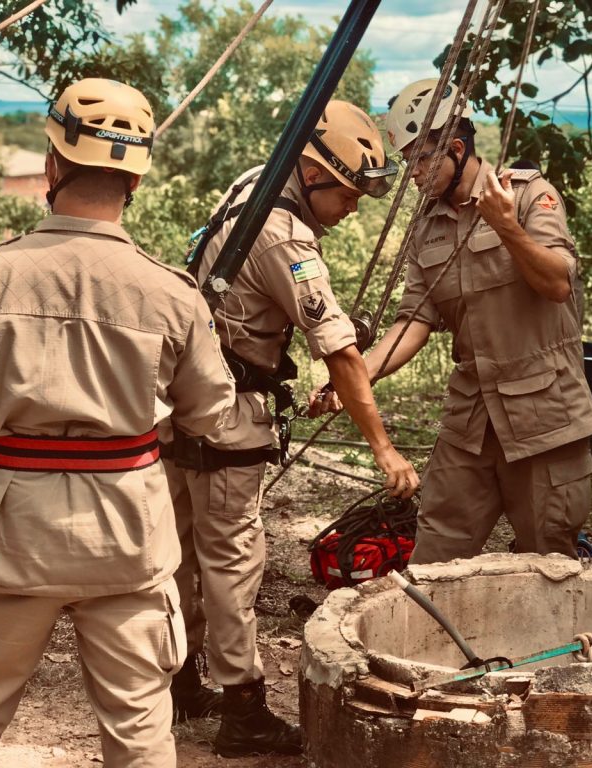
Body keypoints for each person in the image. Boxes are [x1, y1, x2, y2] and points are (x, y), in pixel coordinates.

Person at [0, 78, 243, 767]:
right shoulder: (171, 294)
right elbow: (211, 413)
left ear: (53, 163)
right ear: (136, 177)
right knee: (140, 730)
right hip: (126, 535)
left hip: (9, 533)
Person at [163, 99, 419, 757]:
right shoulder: (285, 235)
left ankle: (180, 681)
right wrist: (384, 449)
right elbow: (338, 348)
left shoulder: (251, 186)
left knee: (181, 558)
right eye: (350, 192)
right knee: (231, 569)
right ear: (313, 171)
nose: (355, 207)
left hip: (181, 409)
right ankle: (242, 707)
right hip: (224, 424)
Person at [312, 78, 592, 565]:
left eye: (422, 160)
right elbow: (413, 322)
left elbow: (558, 284)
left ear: (457, 148)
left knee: (548, 561)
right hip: (472, 420)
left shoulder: (528, 197)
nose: (415, 174)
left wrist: (506, 226)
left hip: (544, 417)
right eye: (409, 162)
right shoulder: (429, 226)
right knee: (435, 556)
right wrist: (354, 378)